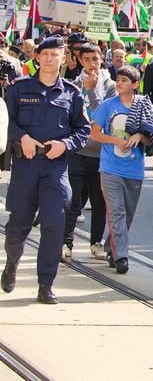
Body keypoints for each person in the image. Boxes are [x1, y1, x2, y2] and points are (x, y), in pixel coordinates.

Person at [2, 35, 91, 304]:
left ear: (64, 58)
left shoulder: (72, 94)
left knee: (54, 225)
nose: (51, 59)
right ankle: (12, 263)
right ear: (37, 58)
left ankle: (45, 283)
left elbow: (83, 130)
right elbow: (6, 121)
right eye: (46, 55)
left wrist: (65, 144)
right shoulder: (18, 89)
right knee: (18, 226)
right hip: (26, 166)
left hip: (55, 168)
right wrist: (22, 138)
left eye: (56, 55)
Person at [90, 65, 151, 274]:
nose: (119, 83)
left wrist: (140, 136)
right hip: (110, 168)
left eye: (124, 80)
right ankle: (121, 257)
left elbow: (152, 137)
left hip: (134, 169)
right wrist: (115, 139)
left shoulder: (143, 106)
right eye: (118, 79)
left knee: (127, 215)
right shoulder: (107, 106)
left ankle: (111, 247)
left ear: (135, 85)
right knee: (116, 212)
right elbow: (95, 133)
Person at [63, 42, 115, 261]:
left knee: (99, 200)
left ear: (101, 57)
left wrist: (93, 91)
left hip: (101, 153)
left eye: (96, 58)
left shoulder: (110, 85)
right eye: (87, 59)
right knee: (73, 199)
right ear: (80, 60)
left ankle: (96, 243)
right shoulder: (73, 85)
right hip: (77, 151)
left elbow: (103, 117)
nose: (92, 63)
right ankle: (66, 242)